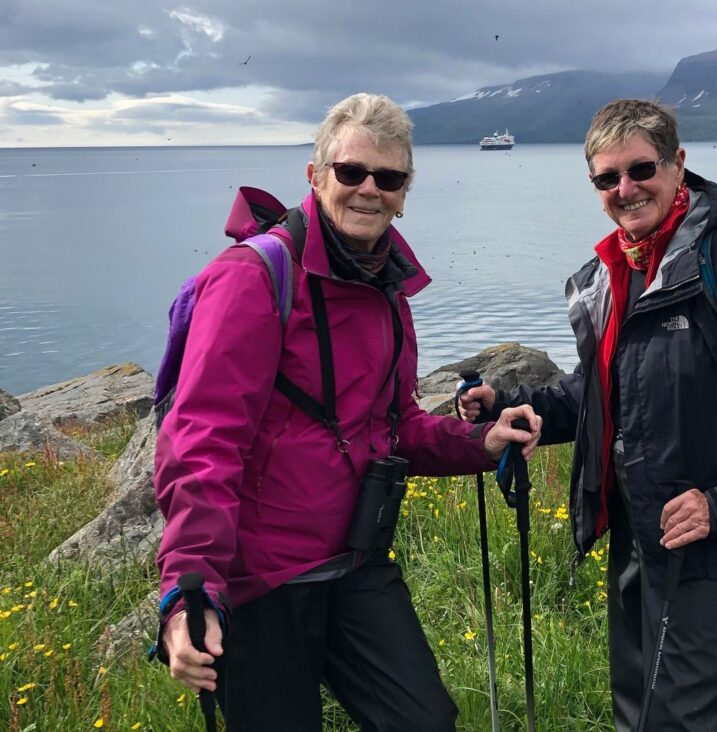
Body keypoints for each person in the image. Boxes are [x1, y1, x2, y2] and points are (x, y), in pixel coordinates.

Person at [152, 92, 541, 731]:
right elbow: (203, 442)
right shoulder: (253, 280)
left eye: (388, 178)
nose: (369, 191)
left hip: (357, 563)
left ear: (405, 189)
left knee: (425, 722)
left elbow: (396, 424)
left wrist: (481, 442)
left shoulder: (388, 286)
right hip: (262, 579)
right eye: (351, 172)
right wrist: (190, 590)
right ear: (315, 175)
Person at [460, 98, 717, 731]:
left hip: (710, 536)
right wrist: (521, 407)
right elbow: (604, 389)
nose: (625, 189)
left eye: (641, 169)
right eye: (608, 178)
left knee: (678, 719)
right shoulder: (623, 268)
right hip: (639, 526)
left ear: (678, 164)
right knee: (635, 705)